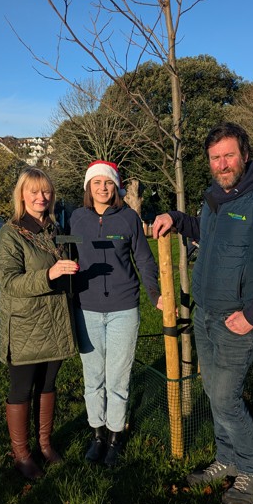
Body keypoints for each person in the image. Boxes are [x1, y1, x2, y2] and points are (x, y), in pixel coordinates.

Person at [152, 122, 253, 504]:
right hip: (205, 315)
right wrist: (177, 218)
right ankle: (228, 458)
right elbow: (208, 232)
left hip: (239, 320)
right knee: (213, 394)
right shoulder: (215, 197)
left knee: (225, 396)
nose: (222, 163)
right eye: (215, 158)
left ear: (245, 155)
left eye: (229, 155)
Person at [70, 160, 162, 467]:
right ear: (88, 187)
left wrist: (155, 294)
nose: (102, 188)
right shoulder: (77, 219)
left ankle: (114, 437)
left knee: (118, 380)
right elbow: (67, 256)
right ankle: (97, 434)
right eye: (96, 183)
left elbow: (144, 260)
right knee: (93, 378)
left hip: (123, 308)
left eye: (108, 183)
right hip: (87, 310)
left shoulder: (128, 219)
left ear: (116, 186)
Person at [0, 167, 79, 480]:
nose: (41, 197)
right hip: (26, 326)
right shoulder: (11, 233)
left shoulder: (54, 229)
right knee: (21, 389)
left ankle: (45, 444)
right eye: (34, 192)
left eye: (45, 192)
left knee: (47, 385)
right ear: (22, 196)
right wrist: (49, 274)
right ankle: (22, 454)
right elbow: (10, 283)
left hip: (56, 322)